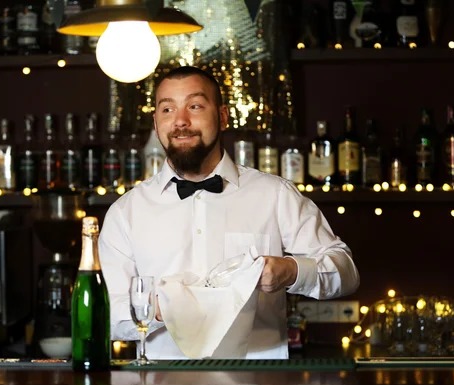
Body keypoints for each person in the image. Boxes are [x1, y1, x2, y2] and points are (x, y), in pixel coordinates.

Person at [98, 66, 360, 359]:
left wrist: (291, 271)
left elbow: (345, 271)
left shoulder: (274, 195)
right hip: (162, 381)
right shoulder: (126, 212)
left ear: (222, 116)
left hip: (256, 382)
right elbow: (104, 314)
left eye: (195, 106)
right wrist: (160, 308)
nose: (181, 121)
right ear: (156, 121)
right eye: (168, 109)